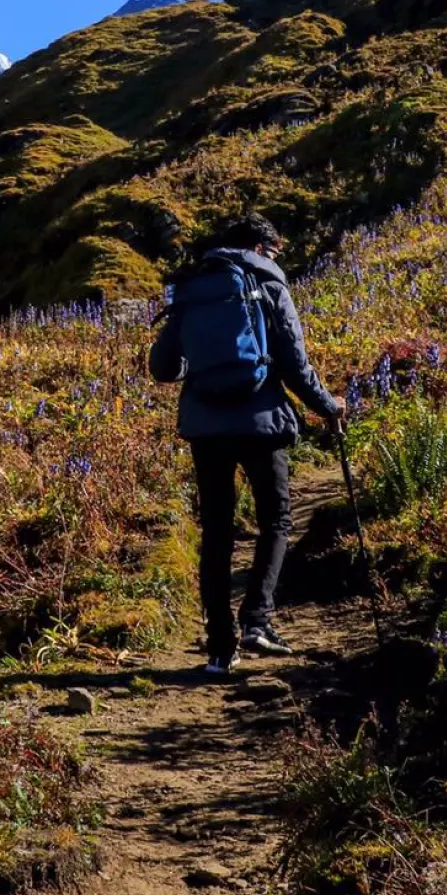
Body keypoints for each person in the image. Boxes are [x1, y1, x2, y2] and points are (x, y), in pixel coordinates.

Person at [149, 214, 345, 677]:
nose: (276, 258)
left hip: (206, 427)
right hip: (262, 422)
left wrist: (200, 369)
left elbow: (162, 367)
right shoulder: (268, 284)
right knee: (275, 518)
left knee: (216, 532)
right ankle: (257, 620)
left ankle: (220, 649)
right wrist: (329, 407)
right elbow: (295, 365)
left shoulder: (192, 288)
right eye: (274, 251)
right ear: (260, 246)